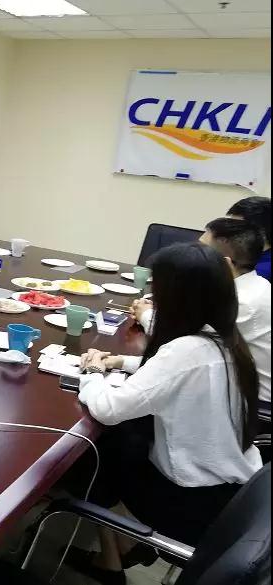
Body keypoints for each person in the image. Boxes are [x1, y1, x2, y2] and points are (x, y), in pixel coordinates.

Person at [67, 242, 262, 585]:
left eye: (158, 290)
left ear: (177, 297)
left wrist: (94, 371)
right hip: (232, 492)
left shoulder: (186, 351)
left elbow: (108, 409)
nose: (153, 299)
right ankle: (125, 546)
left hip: (190, 502)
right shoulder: (224, 337)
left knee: (91, 455)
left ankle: (112, 560)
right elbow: (178, 374)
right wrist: (121, 361)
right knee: (124, 441)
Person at [133, 218, 270, 402]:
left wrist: (146, 315)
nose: (192, 252)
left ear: (225, 264)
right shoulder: (253, 285)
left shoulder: (245, 302)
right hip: (225, 382)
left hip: (250, 401)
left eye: (201, 250)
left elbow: (182, 344)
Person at [227, 196, 271, 281]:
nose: (230, 231)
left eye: (236, 227)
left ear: (261, 231)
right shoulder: (249, 256)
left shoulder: (261, 272)